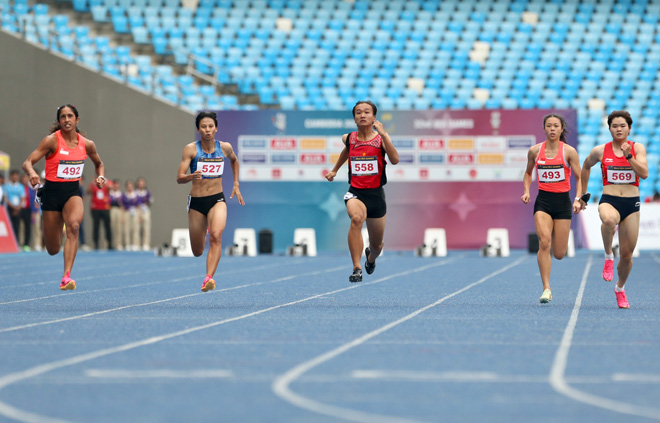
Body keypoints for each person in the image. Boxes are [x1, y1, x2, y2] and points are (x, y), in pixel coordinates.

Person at [22, 104, 106, 290]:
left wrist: (100, 176)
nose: (66, 120)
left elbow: (99, 164)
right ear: (59, 121)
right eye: (62, 117)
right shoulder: (51, 141)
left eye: (70, 116)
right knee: (52, 249)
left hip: (72, 192)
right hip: (51, 194)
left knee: (74, 227)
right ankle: (55, 243)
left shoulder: (87, 144)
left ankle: (66, 276)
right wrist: (32, 173)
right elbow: (27, 162)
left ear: (77, 119)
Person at [580, 110, 648, 309]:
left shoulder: (638, 148)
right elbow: (585, 166)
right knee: (609, 220)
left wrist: (629, 157)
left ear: (629, 128)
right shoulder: (600, 150)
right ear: (609, 128)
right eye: (614, 126)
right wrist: (582, 195)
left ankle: (620, 288)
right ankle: (608, 255)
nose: (618, 129)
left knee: (627, 257)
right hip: (609, 199)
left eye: (622, 126)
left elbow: (644, 173)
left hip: (631, 203)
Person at [325, 100, 399, 283]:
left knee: (377, 245)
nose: (362, 115)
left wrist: (384, 135)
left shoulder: (380, 139)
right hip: (356, 193)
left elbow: (395, 159)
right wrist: (335, 169)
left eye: (367, 112)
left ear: (374, 117)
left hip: (376, 196)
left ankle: (370, 258)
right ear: (354, 118)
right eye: (358, 112)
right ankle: (356, 268)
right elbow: (346, 151)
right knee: (356, 219)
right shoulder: (348, 138)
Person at [176, 110, 244, 292]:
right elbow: (179, 177)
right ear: (198, 129)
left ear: (216, 129)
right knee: (197, 251)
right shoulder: (191, 149)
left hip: (217, 199)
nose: (207, 130)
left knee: (216, 236)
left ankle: (208, 278)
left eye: (211, 126)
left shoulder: (225, 147)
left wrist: (236, 184)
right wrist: (191, 176)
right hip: (197, 203)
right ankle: (204, 227)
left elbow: (235, 161)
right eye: (203, 127)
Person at [521, 114, 583, 303]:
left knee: (559, 253)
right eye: (549, 126)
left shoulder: (569, 151)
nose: (553, 129)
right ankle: (546, 288)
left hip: (563, 203)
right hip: (543, 202)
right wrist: (526, 191)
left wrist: (578, 199)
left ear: (561, 129)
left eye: (556, 126)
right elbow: (528, 172)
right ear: (544, 128)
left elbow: (580, 178)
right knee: (544, 242)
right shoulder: (534, 151)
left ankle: (556, 247)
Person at [87, 173, 112, 250]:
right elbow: (88, 192)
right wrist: (93, 183)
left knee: (107, 226)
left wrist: (105, 182)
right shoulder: (93, 183)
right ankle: (96, 244)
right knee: (96, 226)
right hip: (95, 208)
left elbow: (111, 188)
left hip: (105, 208)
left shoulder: (108, 182)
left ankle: (109, 243)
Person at [122, 179, 139, 251]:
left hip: (135, 212)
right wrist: (122, 216)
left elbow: (139, 205)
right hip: (127, 212)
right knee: (127, 228)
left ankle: (135, 244)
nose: (130, 188)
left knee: (135, 228)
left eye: (131, 186)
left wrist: (139, 215)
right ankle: (127, 244)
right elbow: (122, 206)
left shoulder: (136, 195)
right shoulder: (124, 195)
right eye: (128, 186)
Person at [135, 177, 152, 251]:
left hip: (145, 211)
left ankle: (146, 244)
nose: (141, 185)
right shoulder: (135, 192)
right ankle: (136, 244)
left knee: (146, 227)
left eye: (142, 183)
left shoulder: (147, 192)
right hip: (137, 210)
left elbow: (150, 201)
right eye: (140, 183)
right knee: (136, 227)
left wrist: (145, 205)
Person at [109, 178, 123, 250]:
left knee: (118, 228)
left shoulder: (120, 194)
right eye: (115, 185)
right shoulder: (109, 193)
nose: (116, 186)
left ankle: (118, 244)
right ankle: (108, 243)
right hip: (111, 209)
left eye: (118, 185)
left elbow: (122, 204)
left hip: (118, 210)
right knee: (110, 227)